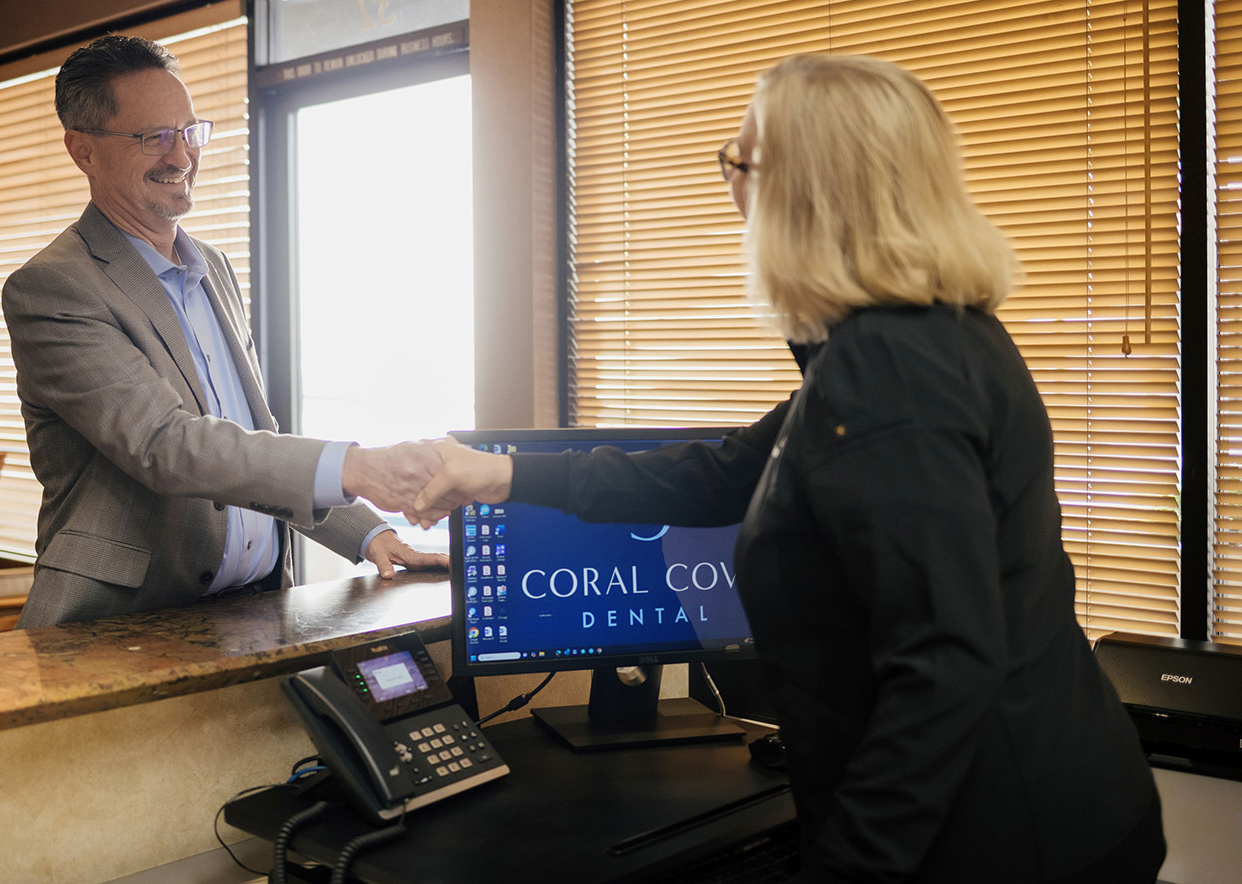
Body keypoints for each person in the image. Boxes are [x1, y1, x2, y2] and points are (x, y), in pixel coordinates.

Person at [411, 54, 1165, 883]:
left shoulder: (889, 371)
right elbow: (724, 468)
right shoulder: (922, 339)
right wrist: (504, 476)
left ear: (808, 188)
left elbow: (945, 667)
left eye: (738, 160)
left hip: (1005, 839)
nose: (727, 184)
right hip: (1053, 808)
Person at [5, 34, 446, 629]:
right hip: (116, 626)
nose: (181, 156)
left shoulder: (212, 267)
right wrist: (357, 466)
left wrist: (369, 533)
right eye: (152, 137)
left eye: (190, 131)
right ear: (83, 151)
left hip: (254, 612)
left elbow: (248, 439)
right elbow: (166, 445)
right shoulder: (53, 289)